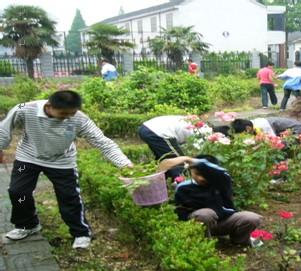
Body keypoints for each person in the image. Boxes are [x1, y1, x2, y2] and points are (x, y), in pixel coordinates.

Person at [0, 90, 133, 249]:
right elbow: (4, 130)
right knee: (18, 192)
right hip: (28, 157)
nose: (68, 118)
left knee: (69, 197)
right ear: (49, 106)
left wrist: (125, 164)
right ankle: (27, 225)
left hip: (62, 161)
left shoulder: (79, 118)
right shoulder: (24, 108)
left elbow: (102, 142)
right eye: (63, 114)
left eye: (72, 113)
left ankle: (81, 233)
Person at [165, 155, 262, 246]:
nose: (201, 178)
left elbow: (223, 173)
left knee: (251, 218)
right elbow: (180, 213)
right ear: (190, 170)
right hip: (199, 223)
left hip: (222, 222)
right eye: (197, 173)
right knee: (206, 214)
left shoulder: (221, 183)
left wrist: (193, 161)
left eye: (206, 175)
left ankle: (240, 242)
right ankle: (203, 244)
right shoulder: (183, 188)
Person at [138, 115, 211, 180]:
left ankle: (164, 183)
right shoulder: (205, 133)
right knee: (179, 162)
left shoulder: (203, 128)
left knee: (164, 159)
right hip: (159, 132)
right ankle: (185, 186)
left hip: (146, 128)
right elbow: (197, 154)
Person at [231, 117, 301, 137]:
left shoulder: (261, 125)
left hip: (300, 129)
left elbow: (273, 141)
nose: (245, 135)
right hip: (288, 131)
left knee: (281, 145)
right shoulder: (252, 123)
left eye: (244, 133)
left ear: (248, 128)